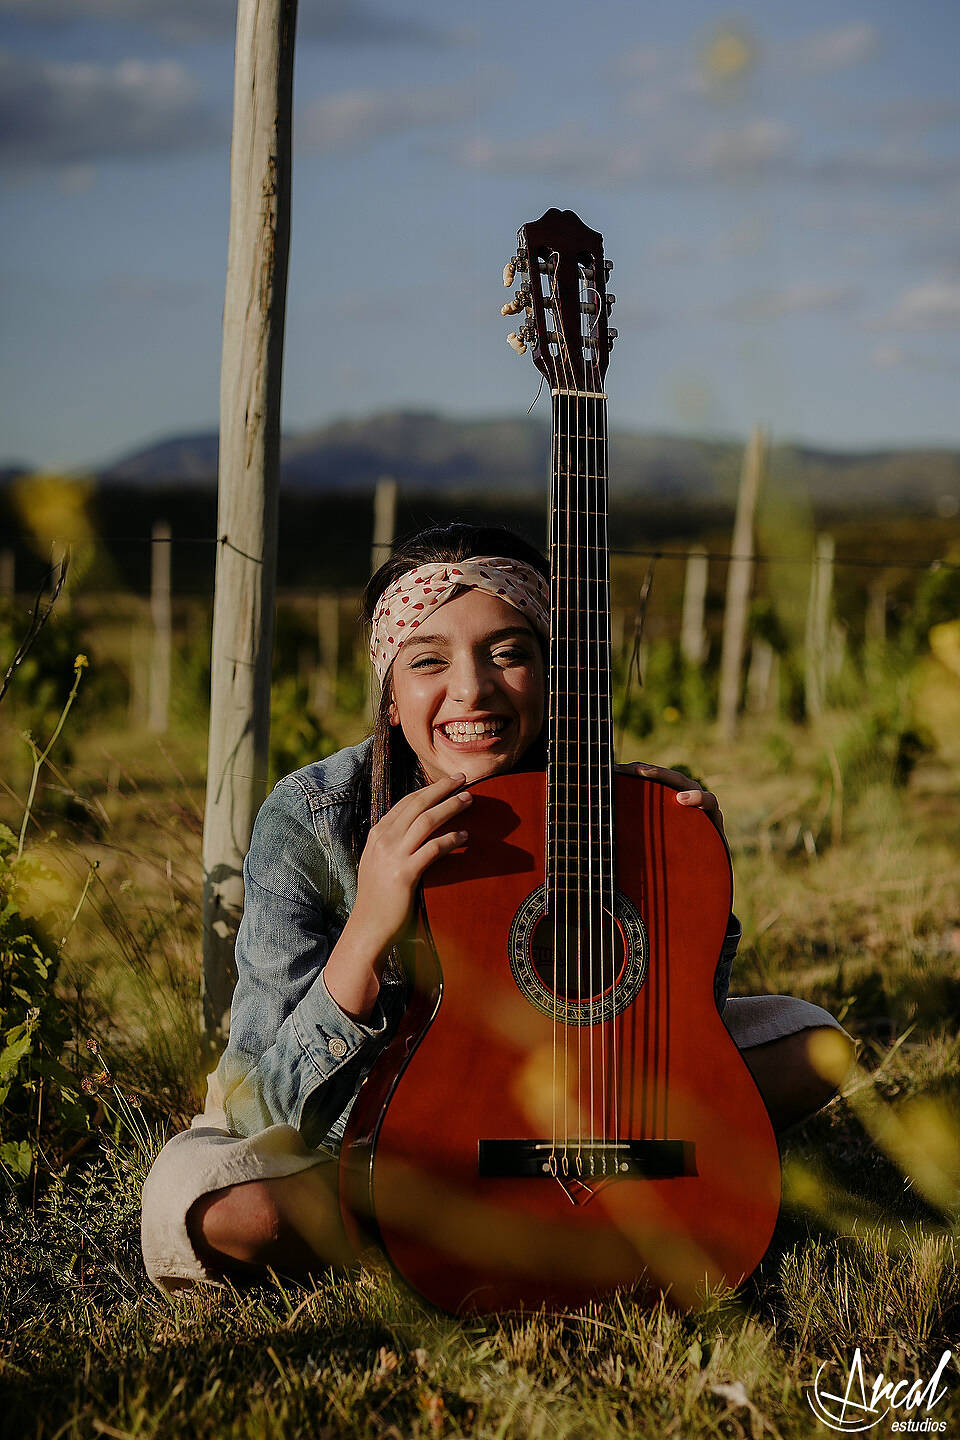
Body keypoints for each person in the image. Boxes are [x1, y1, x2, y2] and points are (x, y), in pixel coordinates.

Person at [141, 523, 853, 1293]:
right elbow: (257, 1102)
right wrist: (371, 923)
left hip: (586, 1095)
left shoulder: (607, 807)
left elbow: (680, 1035)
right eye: (428, 662)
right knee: (229, 1210)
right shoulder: (314, 816)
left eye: (509, 652)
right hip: (377, 1136)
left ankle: (484, 1216)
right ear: (389, 693)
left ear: (553, 672)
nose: (473, 689)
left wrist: (687, 875)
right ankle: (472, 1212)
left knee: (815, 1047)